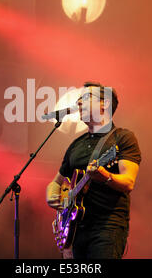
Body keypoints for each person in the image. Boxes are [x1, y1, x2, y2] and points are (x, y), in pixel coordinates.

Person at [46, 82, 141, 259]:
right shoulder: (76, 144)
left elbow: (129, 182)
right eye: (79, 99)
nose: (79, 103)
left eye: (86, 98)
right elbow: (56, 182)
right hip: (75, 232)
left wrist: (105, 176)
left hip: (106, 227)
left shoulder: (122, 138)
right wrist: (51, 194)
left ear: (104, 104)